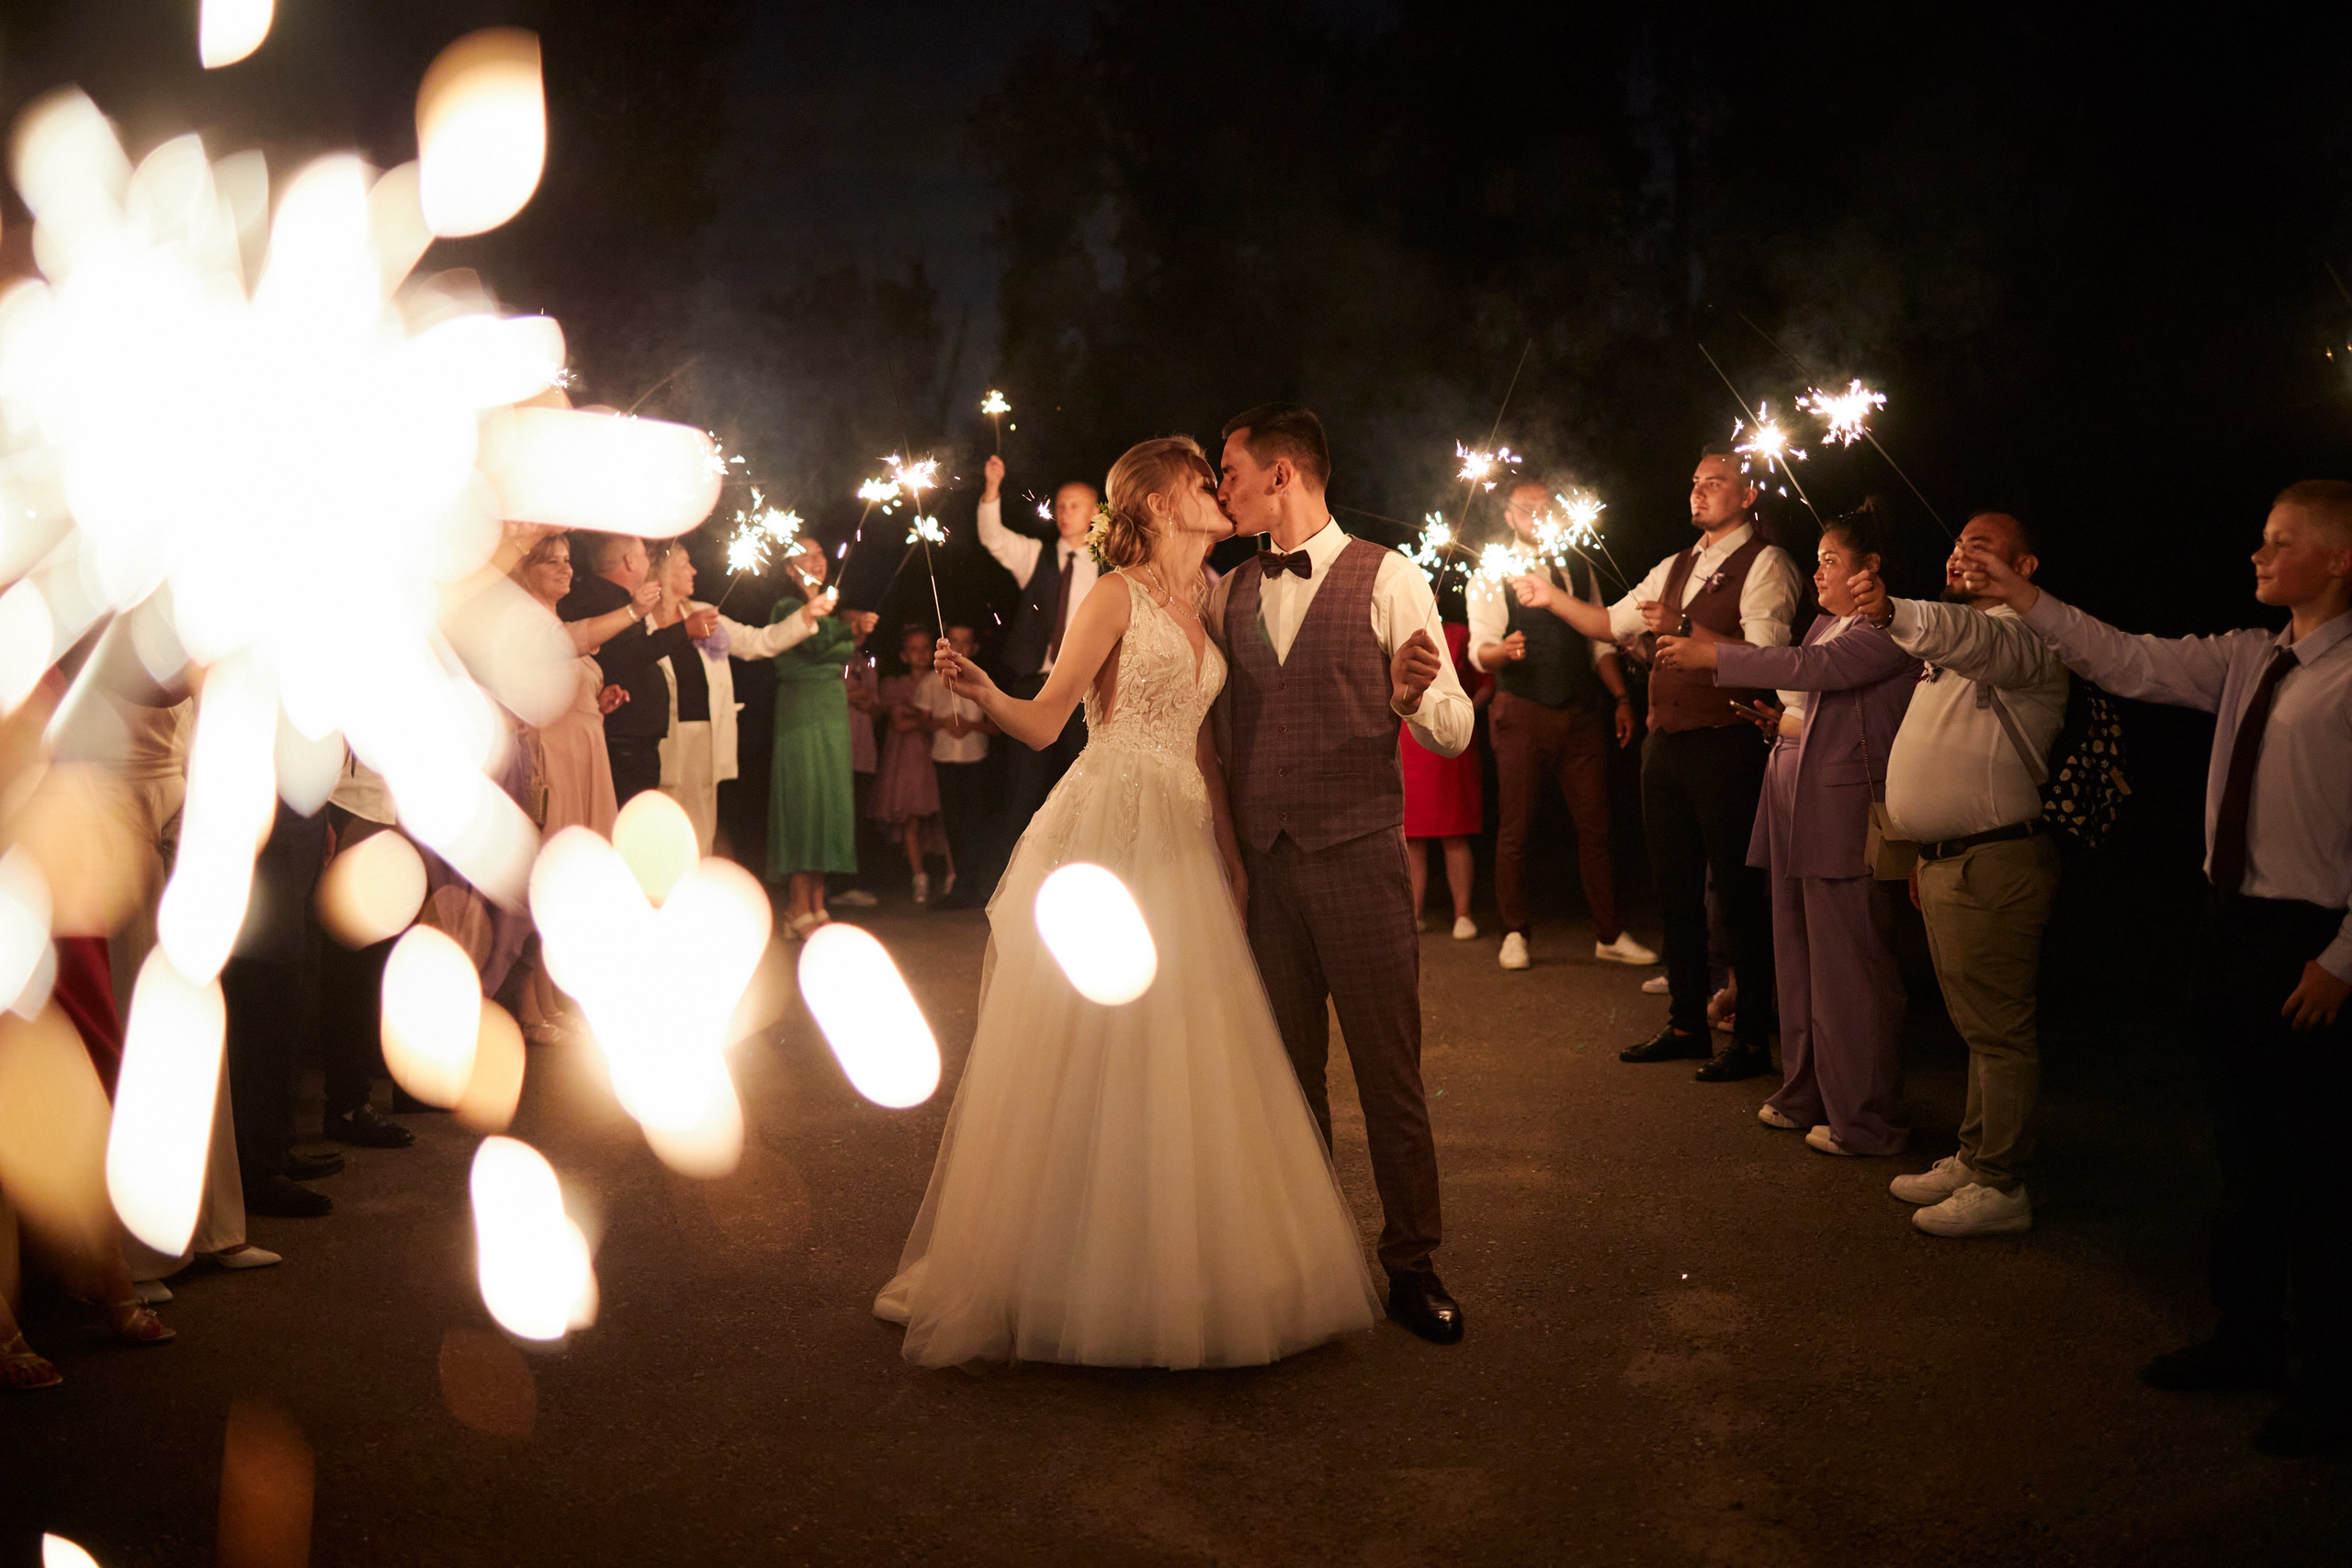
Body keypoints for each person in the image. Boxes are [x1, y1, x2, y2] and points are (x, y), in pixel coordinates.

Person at [879, 434, 1378, 1368]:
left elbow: (1201, 746)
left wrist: (1229, 859)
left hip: (1184, 839)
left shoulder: (1206, 598)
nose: (1217, 492)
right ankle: (1063, 1270)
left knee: (1188, 1048)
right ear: (1152, 503)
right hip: (1110, 830)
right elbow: (1042, 724)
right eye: (1202, 481)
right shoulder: (1110, 595)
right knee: (1098, 1045)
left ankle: (1184, 1269)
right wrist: (984, 688)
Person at [1961, 480, 2352, 1459]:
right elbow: (2125, 660)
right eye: (2260, 538)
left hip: (2312, 940)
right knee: (2245, 1154)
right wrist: (2021, 595)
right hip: (2231, 930)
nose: (2257, 556)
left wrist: (2345, 957)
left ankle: (2334, 1381)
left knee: (2322, 1169)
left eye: (2280, 542)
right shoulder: (2247, 659)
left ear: (2340, 560)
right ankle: (2248, 1336)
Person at [1212, 402, 1476, 1345]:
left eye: (1230, 472)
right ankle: (1308, 1260)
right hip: (1266, 874)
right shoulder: (1226, 589)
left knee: (1387, 1076)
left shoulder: (1388, 574)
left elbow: (1455, 726)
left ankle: (1411, 1263)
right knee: (1287, 1081)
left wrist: (1412, 701)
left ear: (1283, 475)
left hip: (1361, 861)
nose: (1221, 488)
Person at [1509, 444, 1801, 1080]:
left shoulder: (1767, 564)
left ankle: (1750, 1037)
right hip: (1666, 742)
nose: (1698, 492)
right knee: (1674, 888)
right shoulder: (1675, 564)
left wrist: (1687, 625)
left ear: (1748, 496)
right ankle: (1687, 1022)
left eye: (1715, 483)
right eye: (1695, 482)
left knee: (1738, 893)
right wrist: (1548, 597)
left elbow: (1770, 657)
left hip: (1727, 742)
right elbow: (1610, 622)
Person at [1658, 501, 1919, 1156]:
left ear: (1871, 568)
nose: (1819, 572)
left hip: (1840, 810)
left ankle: (1866, 1115)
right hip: (1794, 796)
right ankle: (1809, 1088)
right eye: (1820, 559)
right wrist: (1783, 725)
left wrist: (1711, 654)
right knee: (1797, 958)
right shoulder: (1827, 623)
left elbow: (1812, 674)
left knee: (1849, 972)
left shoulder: (1886, 630)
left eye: (1831, 560)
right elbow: (1815, 703)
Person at [1847, 512, 2068, 1236]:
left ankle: (2004, 1182)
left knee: (2000, 1030)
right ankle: (1978, 1156)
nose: (1960, 554)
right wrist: (1922, 851)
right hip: (1953, 862)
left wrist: (1892, 611)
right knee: (1978, 1026)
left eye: (1982, 546)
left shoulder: (2030, 635)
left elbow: (1971, 636)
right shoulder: (1955, 639)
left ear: (2026, 567)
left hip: (1995, 861)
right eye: (1957, 543)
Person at [1471, 479, 1652, 972]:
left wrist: (1620, 697)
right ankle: (1514, 932)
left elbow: (1599, 641)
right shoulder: (1492, 570)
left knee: (1596, 827)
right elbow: (1479, 649)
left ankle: (1610, 933)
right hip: (1521, 710)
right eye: (1526, 509)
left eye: (1545, 507)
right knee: (1516, 829)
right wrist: (1501, 651)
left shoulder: (1578, 564)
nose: (1537, 515)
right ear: (1508, 516)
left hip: (1580, 712)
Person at [641, 537, 830, 855]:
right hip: (659, 740)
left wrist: (807, 614)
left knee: (700, 831)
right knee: (657, 828)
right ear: (661, 573)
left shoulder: (705, 614)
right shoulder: (640, 620)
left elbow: (758, 643)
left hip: (705, 737)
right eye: (685, 564)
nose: (694, 570)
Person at [975, 455, 1100, 827]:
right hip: (1034, 684)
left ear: (1095, 511)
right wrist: (993, 487)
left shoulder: (1109, 564)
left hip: (1087, 690)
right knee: (1025, 790)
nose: (1064, 513)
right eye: (1059, 506)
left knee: (1088, 786)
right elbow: (992, 537)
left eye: (1074, 505)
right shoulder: (1037, 556)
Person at [558, 533, 718, 807]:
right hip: (622, 745)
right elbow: (628, 655)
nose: (649, 564)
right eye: (645, 556)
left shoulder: (614, 597)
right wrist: (684, 630)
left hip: (630, 743)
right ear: (630, 562)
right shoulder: (607, 600)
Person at [768, 540, 874, 936]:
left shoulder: (830, 607)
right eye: (806, 555)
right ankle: (797, 907)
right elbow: (812, 639)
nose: (817, 559)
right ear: (789, 569)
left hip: (832, 708)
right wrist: (851, 626)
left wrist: (855, 628)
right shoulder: (785, 608)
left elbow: (836, 640)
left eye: (820, 553)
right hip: (802, 709)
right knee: (804, 800)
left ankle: (816, 902)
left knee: (827, 802)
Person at [1404, 619, 1486, 939]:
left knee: (1455, 830)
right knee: (1411, 836)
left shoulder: (1459, 634)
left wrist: (1461, 715)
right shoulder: (1395, 633)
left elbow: (1485, 683)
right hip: (1407, 739)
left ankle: (1462, 913)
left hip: (1451, 740)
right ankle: (1413, 914)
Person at [870, 626, 954, 905]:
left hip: (935, 754)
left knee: (943, 815)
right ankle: (919, 877)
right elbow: (900, 722)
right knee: (910, 817)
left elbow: (941, 717)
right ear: (904, 655)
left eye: (924, 648)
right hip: (906, 759)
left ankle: (953, 874)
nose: (920, 654)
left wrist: (920, 716)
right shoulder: (896, 685)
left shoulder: (941, 680)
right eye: (913, 649)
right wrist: (929, 720)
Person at [914, 624, 993, 904]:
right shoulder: (929, 682)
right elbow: (921, 721)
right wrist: (943, 723)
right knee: (952, 823)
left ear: (973, 648)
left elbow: (997, 725)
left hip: (975, 759)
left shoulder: (983, 680)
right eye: (953, 640)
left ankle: (972, 883)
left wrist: (972, 726)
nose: (958, 646)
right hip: (944, 758)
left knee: (975, 822)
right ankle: (958, 883)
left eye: (965, 641)